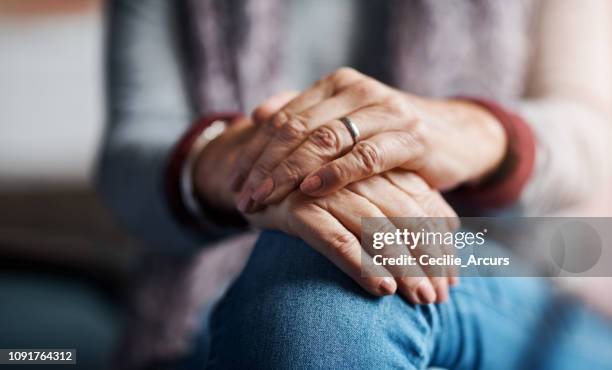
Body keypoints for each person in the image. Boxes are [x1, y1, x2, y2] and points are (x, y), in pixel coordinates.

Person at [98, 0, 612, 369]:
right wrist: (244, 161)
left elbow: (594, 134)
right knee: (333, 248)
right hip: (200, 309)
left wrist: (468, 132)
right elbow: (129, 159)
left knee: (335, 266)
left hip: (533, 282)